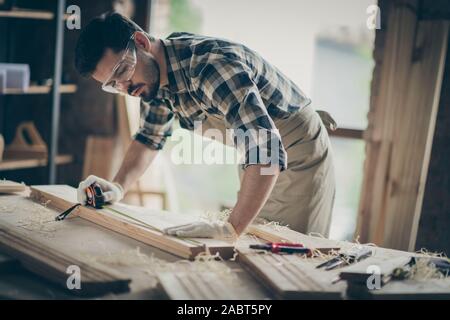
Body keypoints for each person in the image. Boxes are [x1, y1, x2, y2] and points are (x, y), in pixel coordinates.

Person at [75, 12, 336, 242]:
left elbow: (266, 150)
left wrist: (230, 229)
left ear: (142, 43)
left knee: (282, 255)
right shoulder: (151, 80)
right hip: (258, 157)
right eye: (113, 84)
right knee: (252, 244)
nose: (125, 87)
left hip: (297, 153)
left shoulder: (209, 67)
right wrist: (118, 187)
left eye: (122, 72)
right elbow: (149, 137)